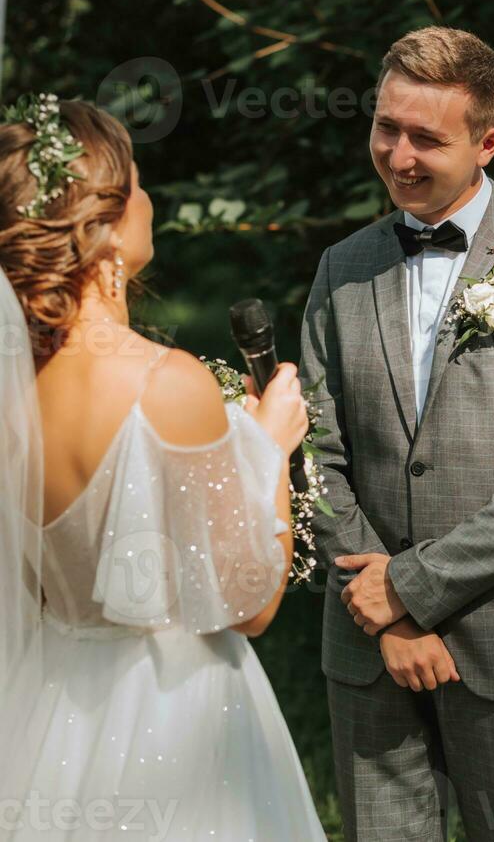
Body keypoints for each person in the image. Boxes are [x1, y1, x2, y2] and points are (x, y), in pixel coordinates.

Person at [300, 26, 494, 841]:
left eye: (426, 138)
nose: (398, 155)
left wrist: (410, 590)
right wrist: (385, 615)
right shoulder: (341, 266)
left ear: (489, 141)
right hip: (368, 644)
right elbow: (313, 453)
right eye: (384, 127)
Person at [0, 94, 326, 841]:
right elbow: (250, 605)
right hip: (178, 719)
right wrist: (269, 449)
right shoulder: (164, 383)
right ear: (104, 228)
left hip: (56, 712)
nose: (150, 198)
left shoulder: (11, 397)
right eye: (139, 183)